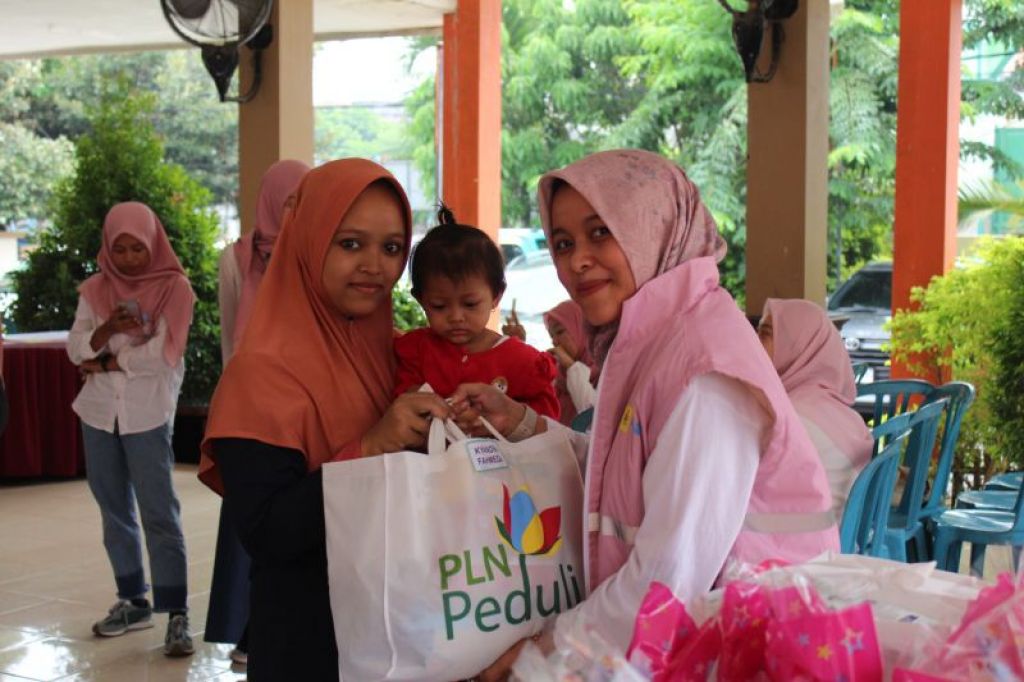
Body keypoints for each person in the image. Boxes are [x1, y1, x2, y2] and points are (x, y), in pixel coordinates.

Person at [449, 150, 839, 678]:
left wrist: (545, 650)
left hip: (742, 655)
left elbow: (667, 580)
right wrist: (523, 423)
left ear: (655, 227)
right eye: (563, 244)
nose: (577, 261)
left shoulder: (705, 367)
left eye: (601, 233)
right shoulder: (655, 341)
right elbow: (626, 474)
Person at [198, 159, 450, 682]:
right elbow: (268, 534)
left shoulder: (397, 355)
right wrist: (369, 449)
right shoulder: (259, 374)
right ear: (309, 241)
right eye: (350, 243)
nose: (375, 266)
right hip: (310, 641)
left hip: (402, 631)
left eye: (391, 248)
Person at [66, 201, 196, 657]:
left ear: (153, 243)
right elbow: (75, 348)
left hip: (148, 415)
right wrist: (105, 330)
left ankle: (176, 612)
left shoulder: (175, 289)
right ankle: (132, 600)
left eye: (137, 248)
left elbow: (163, 356)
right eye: (119, 249)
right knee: (113, 509)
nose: (128, 258)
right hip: (99, 414)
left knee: (159, 512)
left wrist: (104, 361)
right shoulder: (95, 289)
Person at [207, 159, 309, 667]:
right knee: (251, 526)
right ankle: (246, 629)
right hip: (251, 408)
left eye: (301, 201)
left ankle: (260, 631)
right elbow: (232, 336)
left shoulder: (315, 251)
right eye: (287, 201)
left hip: (304, 405)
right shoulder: (236, 260)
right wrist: (244, 400)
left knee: (294, 524)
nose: (293, 211)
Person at [394, 205, 560, 420]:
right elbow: (403, 398)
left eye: (470, 304)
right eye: (439, 306)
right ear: (421, 300)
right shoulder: (416, 351)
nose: (456, 317)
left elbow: (547, 420)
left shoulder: (521, 360)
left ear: (496, 296)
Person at [759, 298, 874, 519]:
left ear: (796, 345)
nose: (754, 342)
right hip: (846, 532)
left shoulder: (786, 420)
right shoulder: (847, 415)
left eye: (765, 334)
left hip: (805, 536)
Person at [217, 159, 310, 365]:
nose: (301, 211)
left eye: (308, 202)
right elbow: (229, 329)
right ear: (271, 202)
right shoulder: (235, 259)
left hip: (307, 372)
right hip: (253, 372)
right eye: (291, 203)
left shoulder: (316, 254)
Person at [544, 300, 597, 425]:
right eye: (551, 336)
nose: (555, 342)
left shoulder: (606, 372)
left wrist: (571, 366)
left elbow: (592, 419)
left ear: (582, 330)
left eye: (559, 332)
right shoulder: (558, 376)